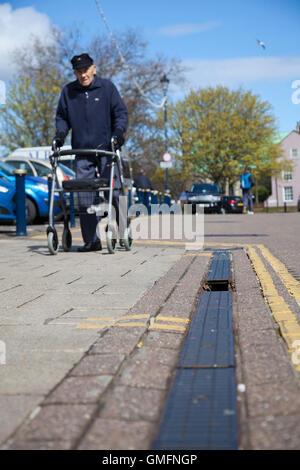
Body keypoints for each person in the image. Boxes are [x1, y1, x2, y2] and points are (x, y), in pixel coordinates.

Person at [52, 53, 128, 252]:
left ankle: (123, 233)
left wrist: (118, 133)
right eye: (78, 71)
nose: (82, 75)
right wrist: (60, 135)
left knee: (116, 191)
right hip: (82, 151)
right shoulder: (68, 92)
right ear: (74, 73)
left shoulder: (107, 88)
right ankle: (91, 240)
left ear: (93, 69)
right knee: (84, 196)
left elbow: (120, 113)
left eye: (85, 70)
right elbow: (62, 117)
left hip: (106, 149)